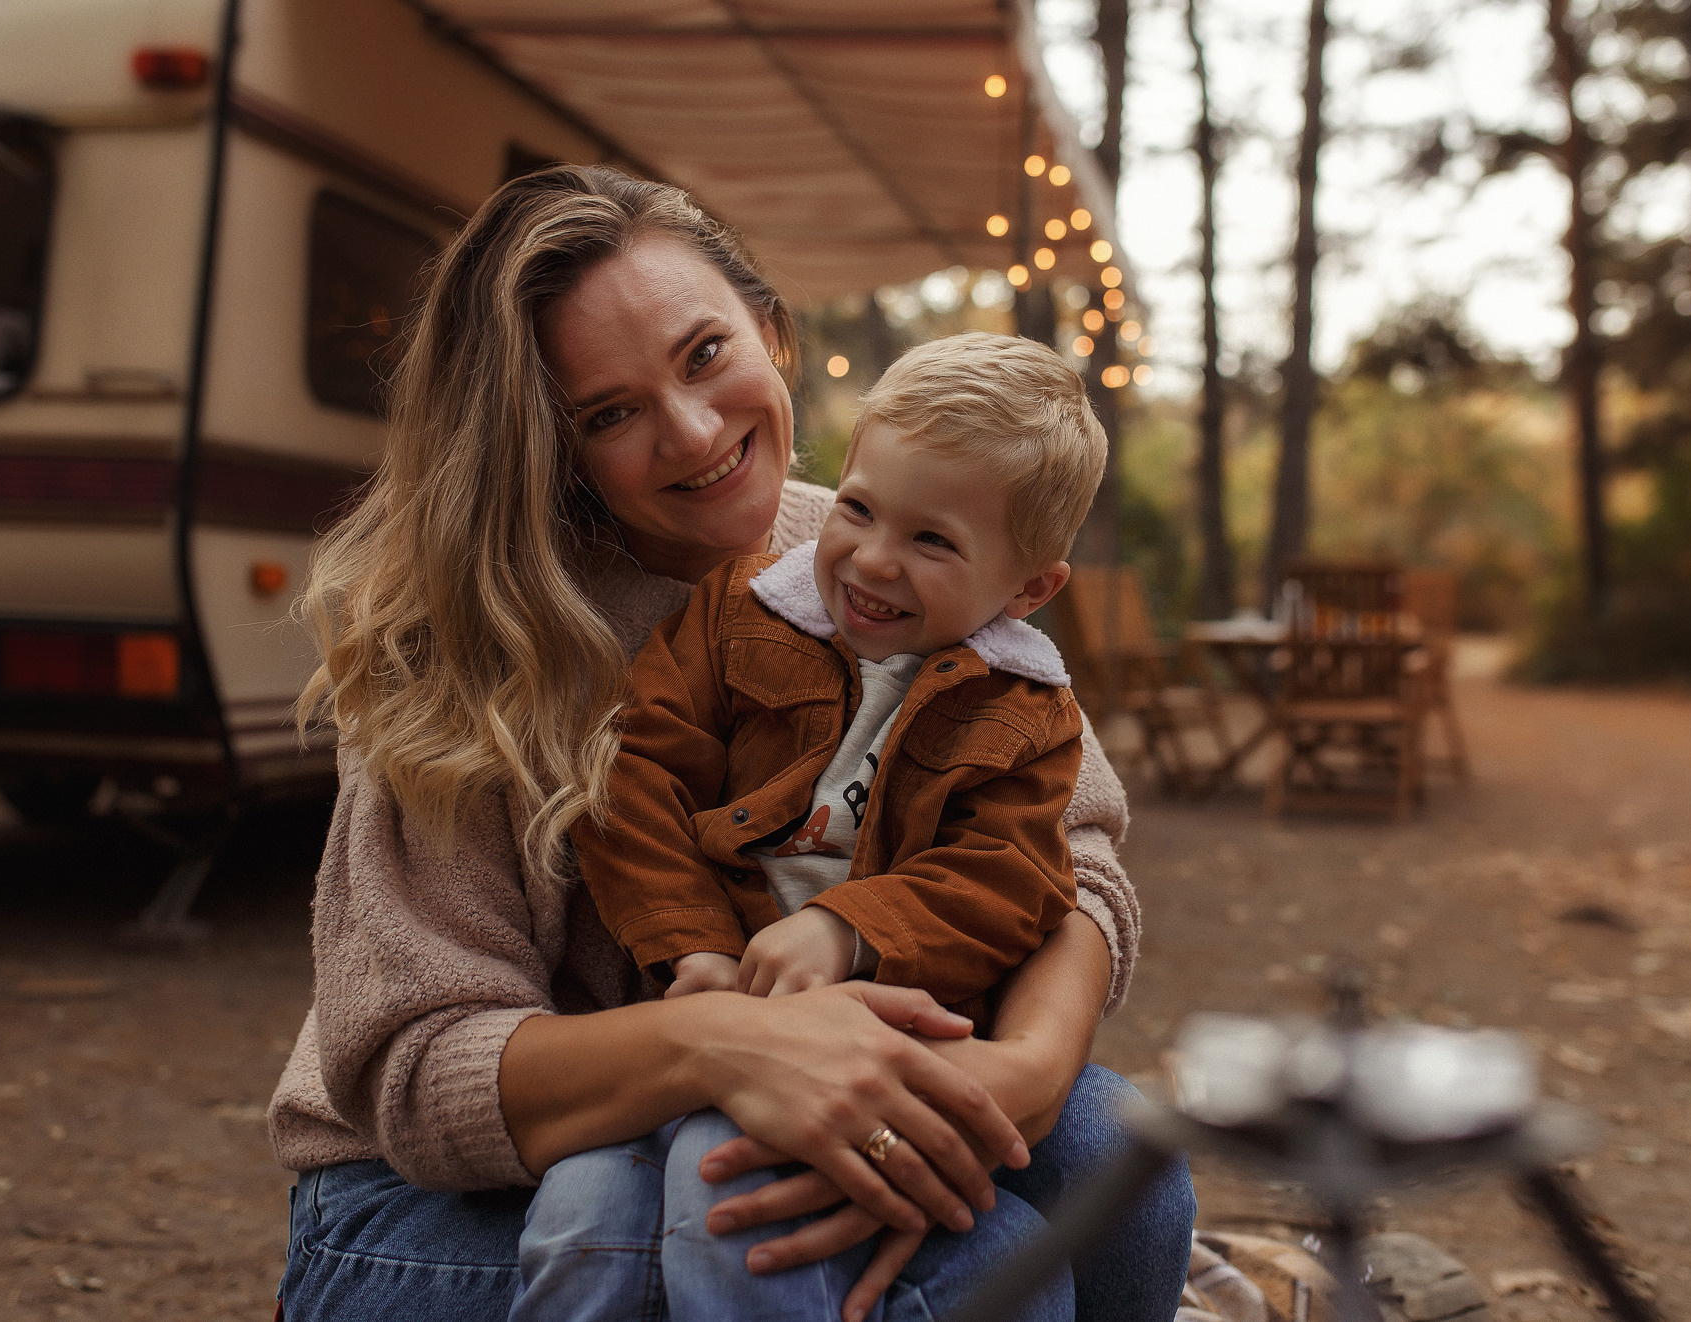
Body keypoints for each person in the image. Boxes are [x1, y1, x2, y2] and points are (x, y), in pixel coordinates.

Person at [266, 165, 1195, 1322]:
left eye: (704, 354)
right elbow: (422, 1068)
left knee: (1117, 1167)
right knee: (968, 1269)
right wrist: (725, 1043)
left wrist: (1029, 1067)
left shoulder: (879, 550)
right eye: (609, 413)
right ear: (546, 444)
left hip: (793, 1074)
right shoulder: (463, 636)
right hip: (441, 1196)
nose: (694, 433)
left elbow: (1072, 857)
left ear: (769, 329)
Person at [514, 335, 1108, 1318]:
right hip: (698, 1015)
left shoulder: (1029, 714)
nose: (871, 558)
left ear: (1029, 588)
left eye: (932, 541)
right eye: (859, 509)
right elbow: (631, 772)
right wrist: (693, 949)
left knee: (731, 1194)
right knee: (579, 1215)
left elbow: (1013, 878)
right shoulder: (742, 611)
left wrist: (849, 926)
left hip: (878, 1031)